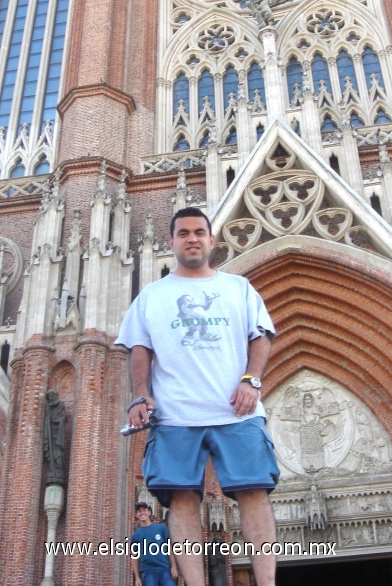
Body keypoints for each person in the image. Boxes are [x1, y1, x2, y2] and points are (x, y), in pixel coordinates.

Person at [116, 207, 280, 586]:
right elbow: (139, 348)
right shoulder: (151, 296)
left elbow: (262, 335)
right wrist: (140, 396)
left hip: (237, 411)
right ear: (171, 242)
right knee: (182, 500)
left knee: (254, 492)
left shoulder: (238, 288)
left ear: (211, 241)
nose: (192, 238)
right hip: (175, 415)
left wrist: (251, 380)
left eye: (200, 232)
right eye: (184, 233)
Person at [130, 502, 178, 586]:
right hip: (148, 571)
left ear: (149, 513)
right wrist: (137, 577)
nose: (142, 513)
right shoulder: (135, 535)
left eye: (144, 510)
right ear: (137, 515)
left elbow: (169, 548)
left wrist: (173, 566)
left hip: (164, 568)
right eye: (139, 511)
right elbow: (134, 556)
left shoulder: (161, 528)